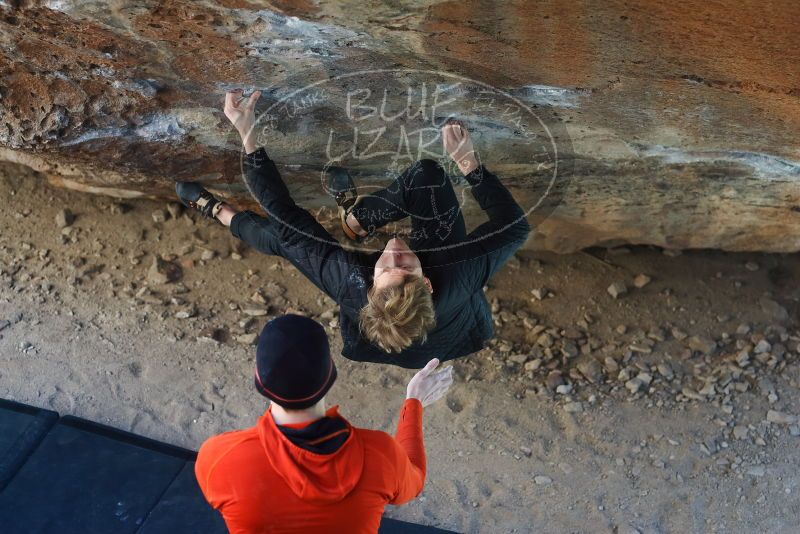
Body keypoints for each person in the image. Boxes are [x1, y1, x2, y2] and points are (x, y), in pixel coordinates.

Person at [177, 89, 530, 368]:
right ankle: (356, 221)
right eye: (404, 265)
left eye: (384, 267)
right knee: (426, 176)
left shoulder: (351, 284)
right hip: (456, 332)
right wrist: (467, 162)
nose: (393, 250)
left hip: (384, 334)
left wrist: (247, 132)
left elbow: (288, 219)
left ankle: (221, 213)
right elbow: (515, 229)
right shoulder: (457, 272)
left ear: (370, 288)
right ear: (426, 281)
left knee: (288, 241)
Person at [195, 314, 454, 534]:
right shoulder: (381, 455)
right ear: (330, 374)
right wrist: (414, 402)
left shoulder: (220, 457)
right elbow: (414, 480)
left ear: (259, 379)